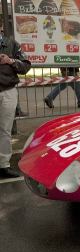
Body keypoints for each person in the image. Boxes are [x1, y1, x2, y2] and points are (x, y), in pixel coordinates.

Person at [0, 23, 31, 177]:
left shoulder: (11, 44)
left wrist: (10, 61)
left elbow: (26, 66)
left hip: (8, 91)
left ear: (1, 27)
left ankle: (3, 165)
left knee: (4, 130)